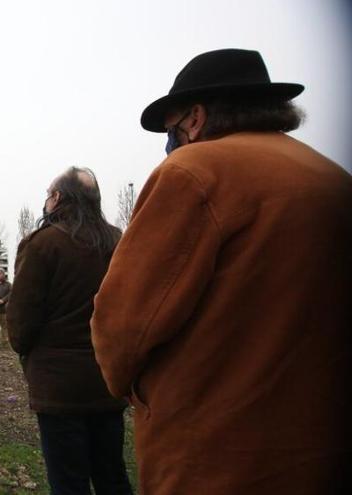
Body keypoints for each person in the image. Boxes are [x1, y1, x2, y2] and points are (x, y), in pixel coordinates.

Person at [91, 49, 352, 495]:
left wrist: (135, 389)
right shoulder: (333, 180)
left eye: (170, 127)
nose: (168, 143)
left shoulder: (193, 172)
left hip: (214, 456)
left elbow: (123, 325)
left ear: (194, 118)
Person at [8, 167, 131, 495]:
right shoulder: (119, 242)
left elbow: (21, 322)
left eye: (48, 194)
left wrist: (26, 351)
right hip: (108, 379)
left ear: (57, 198)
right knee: (112, 477)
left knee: (68, 483)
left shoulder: (43, 244)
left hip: (59, 387)